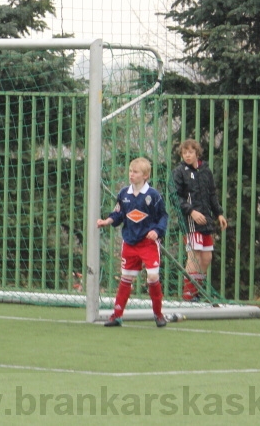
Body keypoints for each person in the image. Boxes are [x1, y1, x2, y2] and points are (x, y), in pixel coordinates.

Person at [97, 157, 169, 327]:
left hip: (148, 244)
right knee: (126, 278)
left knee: (152, 276)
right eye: (130, 171)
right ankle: (116, 315)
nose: (131, 174)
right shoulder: (124, 194)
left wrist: (156, 231)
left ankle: (158, 314)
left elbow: (163, 216)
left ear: (145, 175)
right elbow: (119, 214)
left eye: (135, 172)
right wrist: (107, 221)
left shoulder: (153, 195)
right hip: (129, 243)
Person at [170, 139, 228, 301]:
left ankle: (196, 291)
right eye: (184, 152)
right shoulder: (179, 172)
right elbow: (175, 196)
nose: (187, 155)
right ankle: (188, 295)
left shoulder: (205, 171)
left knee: (207, 257)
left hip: (206, 220)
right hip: (191, 221)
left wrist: (219, 214)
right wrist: (191, 212)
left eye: (190, 152)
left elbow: (211, 195)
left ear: (197, 153)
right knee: (194, 256)